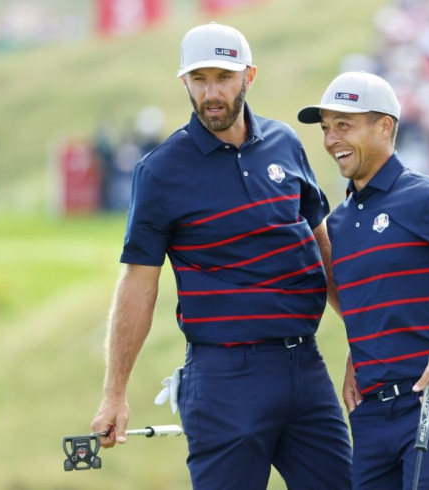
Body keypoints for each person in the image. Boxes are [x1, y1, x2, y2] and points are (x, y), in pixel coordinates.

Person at [90, 22, 352, 489]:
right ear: (184, 82)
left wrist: (364, 339)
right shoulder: (160, 171)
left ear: (249, 76)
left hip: (305, 368)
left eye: (224, 78)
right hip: (225, 378)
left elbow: (322, 247)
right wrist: (115, 394)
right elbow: (138, 282)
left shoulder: (286, 144)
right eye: (200, 79)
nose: (212, 92)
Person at [297, 71, 429, 489]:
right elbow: (360, 295)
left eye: (344, 125)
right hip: (372, 413)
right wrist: (363, 346)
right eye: (325, 128)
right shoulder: (337, 222)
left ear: (384, 127)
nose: (331, 139)